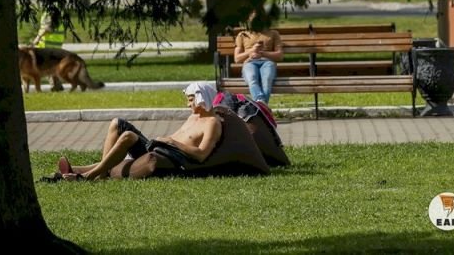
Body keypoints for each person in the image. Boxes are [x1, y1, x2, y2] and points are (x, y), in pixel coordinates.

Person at [48, 82, 222, 181]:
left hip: (170, 156)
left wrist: (171, 141)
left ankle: (88, 176)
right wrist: (165, 141)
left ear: (202, 99)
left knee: (128, 136)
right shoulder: (194, 116)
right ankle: (81, 171)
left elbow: (201, 154)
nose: (187, 104)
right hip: (159, 148)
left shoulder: (212, 123)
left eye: (191, 100)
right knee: (117, 124)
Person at [233, 12, 283, 105]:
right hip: (249, 62)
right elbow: (237, 59)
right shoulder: (242, 35)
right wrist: (252, 50)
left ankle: (260, 105)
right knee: (252, 78)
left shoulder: (273, 33)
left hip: (267, 62)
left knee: (267, 80)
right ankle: (261, 103)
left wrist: (262, 53)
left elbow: (280, 56)